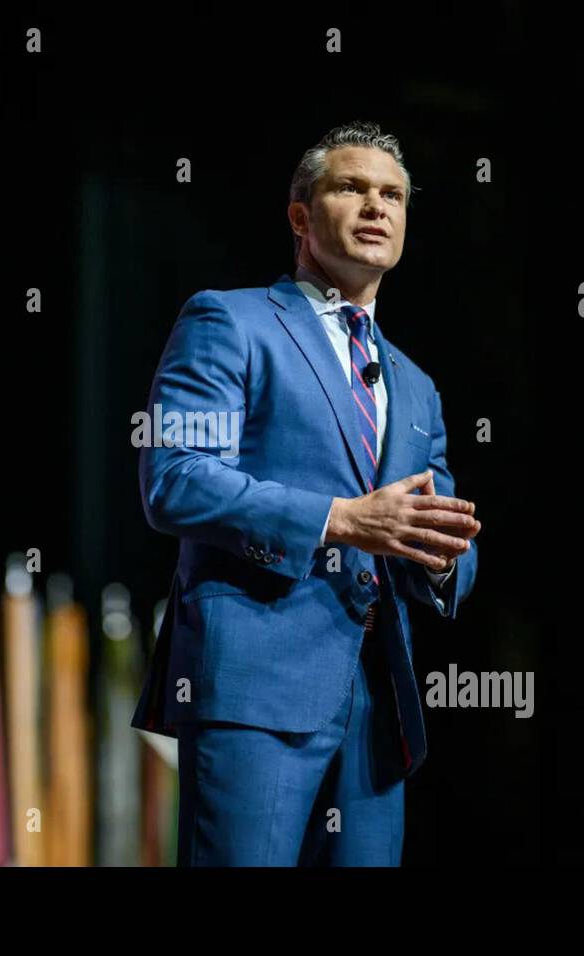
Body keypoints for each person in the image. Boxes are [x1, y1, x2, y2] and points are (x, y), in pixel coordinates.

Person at [132, 120, 481, 865]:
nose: (375, 206)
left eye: (392, 195)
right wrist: (342, 520)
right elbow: (176, 479)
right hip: (255, 687)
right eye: (351, 188)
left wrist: (443, 557)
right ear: (300, 216)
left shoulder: (417, 388)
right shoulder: (230, 320)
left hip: (377, 708)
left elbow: (441, 544)